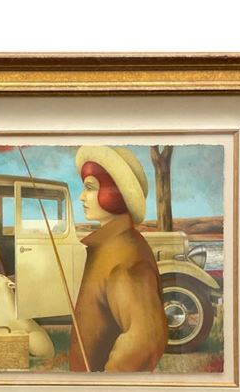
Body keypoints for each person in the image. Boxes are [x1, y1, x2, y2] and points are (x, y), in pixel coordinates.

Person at [69, 146, 168, 372]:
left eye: (90, 188)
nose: (82, 197)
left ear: (115, 193)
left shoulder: (124, 256)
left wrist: (106, 385)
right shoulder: (107, 246)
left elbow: (144, 340)